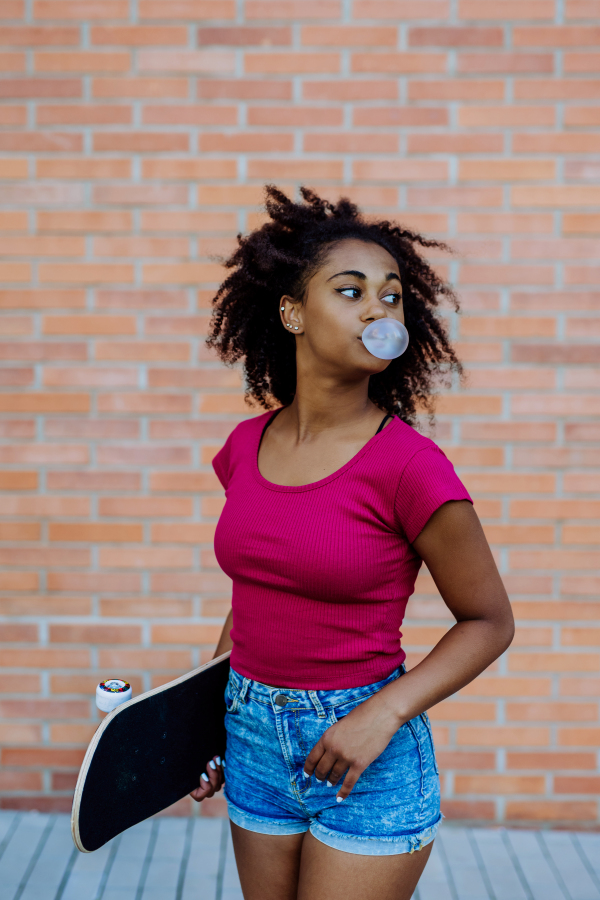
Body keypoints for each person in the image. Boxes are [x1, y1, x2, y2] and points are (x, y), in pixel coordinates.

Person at [190, 187, 514, 900]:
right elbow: (255, 596)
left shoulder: (409, 466)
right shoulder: (245, 447)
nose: (379, 309)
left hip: (367, 753)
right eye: (352, 290)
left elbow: (490, 622)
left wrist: (385, 712)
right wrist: (206, 719)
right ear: (292, 312)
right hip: (251, 740)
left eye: (393, 296)